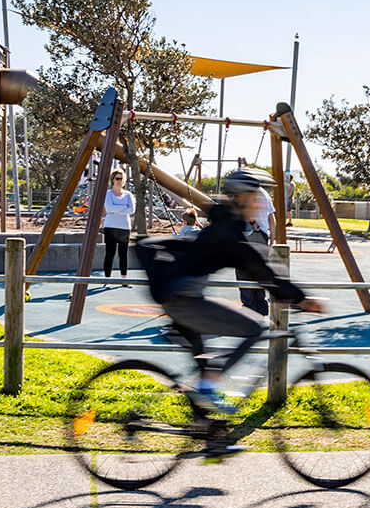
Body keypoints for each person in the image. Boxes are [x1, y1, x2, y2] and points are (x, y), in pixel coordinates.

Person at [145, 168, 324, 413]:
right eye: (254, 198)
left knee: (206, 363)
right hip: (181, 300)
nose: (259, 205)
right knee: (253, 327)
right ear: (240, 199)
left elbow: (263, 273)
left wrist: (292, 296)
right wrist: (302, 300)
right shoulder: (229, 234)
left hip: (180, 295)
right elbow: (264, 274)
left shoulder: (228, 226)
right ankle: (207, 392)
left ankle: (207, 428)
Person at [238, 174, 276, 317]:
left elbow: (247, 210)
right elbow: (272, 217)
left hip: (250, 234)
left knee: (244, 273)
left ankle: (249, 308)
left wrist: (253, 224)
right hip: (262, 236)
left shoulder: (249, 193)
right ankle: (261, 306)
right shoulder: (265, 194)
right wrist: (272, 240)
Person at [102, 169, 135, 284]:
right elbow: (109, 208)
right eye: (117, 178)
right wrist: (123, 207)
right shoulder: (108, 194)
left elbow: (131, 210)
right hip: (110, 227)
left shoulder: (128, 195)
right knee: (110, 253)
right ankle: (107, 278)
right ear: (112, 180)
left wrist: (116, 209)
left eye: (121, 179)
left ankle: (124, 278)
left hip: (124, 227)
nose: (119, 181)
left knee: (123, 254)